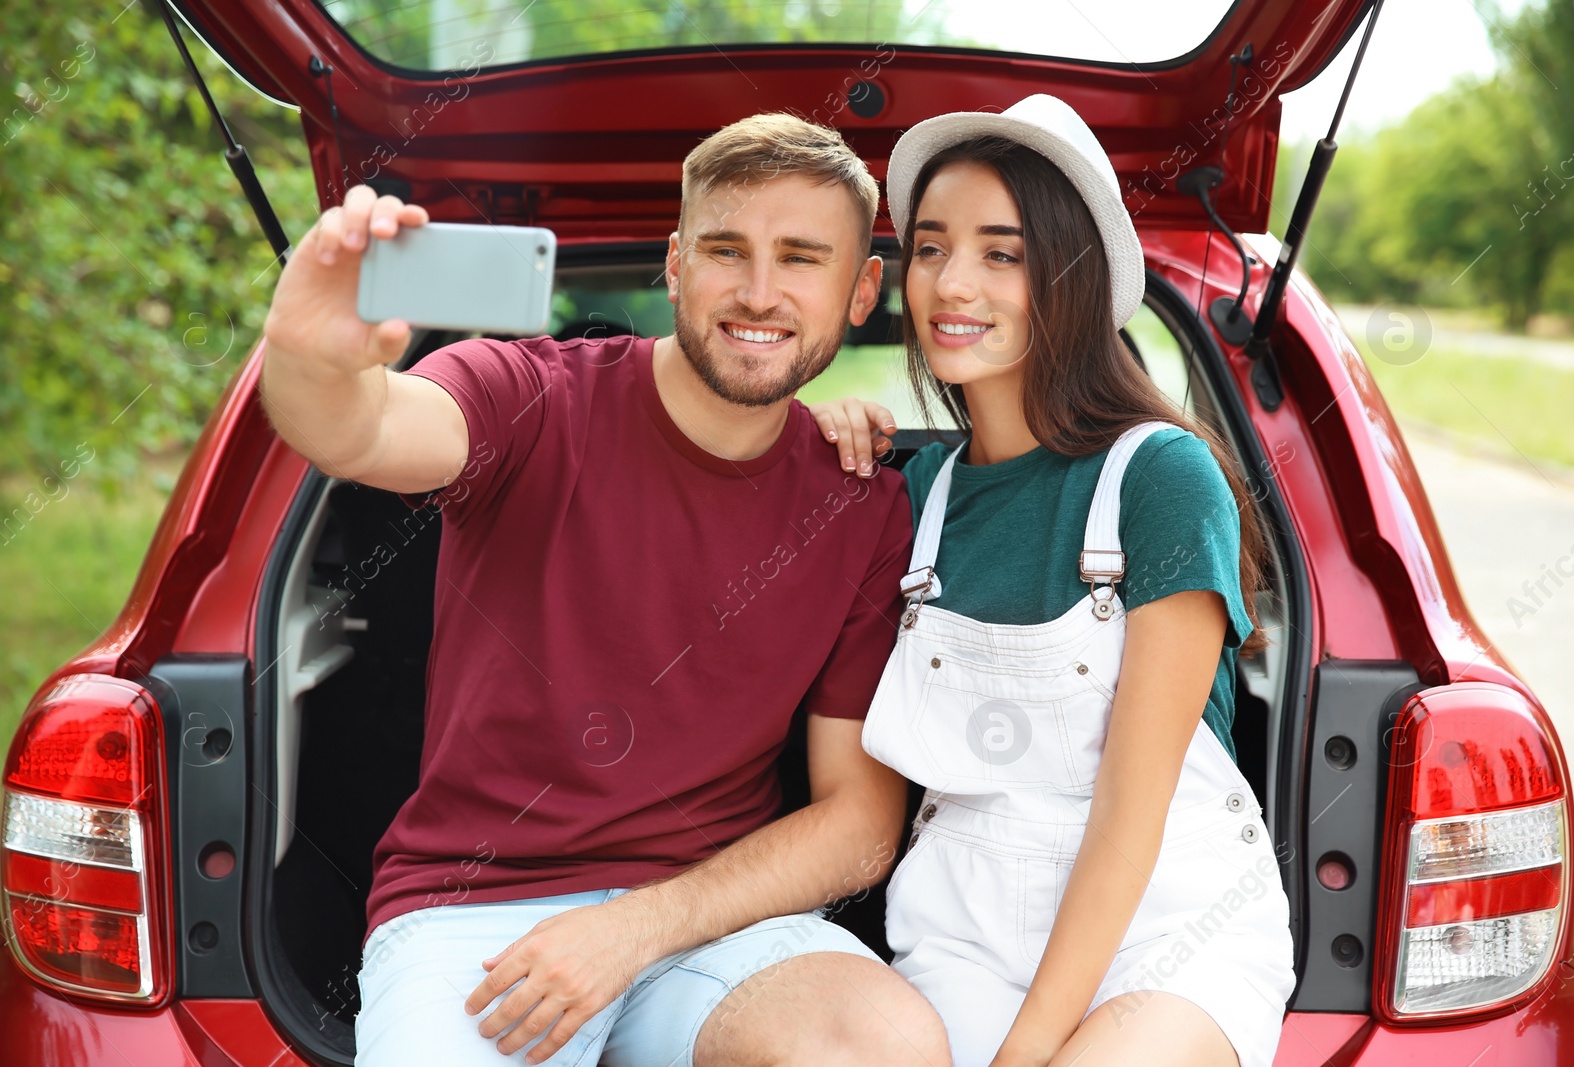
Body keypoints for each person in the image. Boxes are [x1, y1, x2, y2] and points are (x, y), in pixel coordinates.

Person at [257, 113, 953, 1066]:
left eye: (800, 257)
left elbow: (861, 825)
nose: (758, 291)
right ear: (674, 264)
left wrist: (633, 928)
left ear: (862, 289)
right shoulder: (532, 396)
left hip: (712, 920)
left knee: (885, 1045)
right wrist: (309, 355)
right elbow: (363, 429)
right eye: (724, 249)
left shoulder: (863, 508)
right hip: (475, 914)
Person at [806, 94, 1297, 1067]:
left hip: (1168, 924)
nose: (953, 282)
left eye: (1003, 252)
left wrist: (1024, 1052)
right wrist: (812, 436)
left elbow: (1129, 812)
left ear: (1068, 276)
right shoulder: (918, 493)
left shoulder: (1159, 477)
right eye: (934, 246)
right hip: (962, 922)